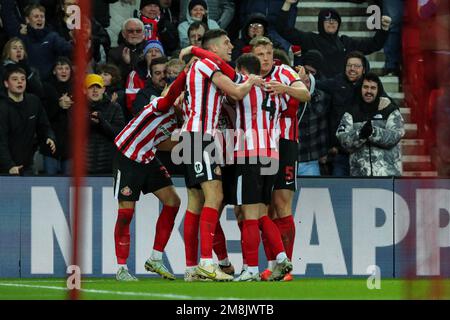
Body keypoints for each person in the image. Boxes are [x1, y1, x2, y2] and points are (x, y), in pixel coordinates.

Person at [177, 29, 262, 281]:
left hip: (192, 136)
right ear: (213, 48)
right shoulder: (206, 64)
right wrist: (251, 81)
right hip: (200, 137)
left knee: (196, 202)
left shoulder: (199, 66)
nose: (231, 46)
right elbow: (236, 92)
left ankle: (192, 268)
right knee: (215, 196)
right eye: (226, 43)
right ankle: (205, 262)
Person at [112, 65, 188, 281]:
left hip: (147, 157)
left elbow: (161, 143)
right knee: (126, 214)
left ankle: (155, 258)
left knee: (173, 202)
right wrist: (188, 70)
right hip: (127, 156)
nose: (178, 97)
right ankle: (121, 268)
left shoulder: (179, 118)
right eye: (176, 93)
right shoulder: (160, 105)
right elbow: (172, 94)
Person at [249, 36, 310, 281]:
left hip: (285, 143)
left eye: (268, 53)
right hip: (258, 145)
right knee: (265, 209)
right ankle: (274, 263)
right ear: (252, 55)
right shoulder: (247, 76)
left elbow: (305, 94)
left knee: (282, 203)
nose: (265, 58)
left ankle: (288, 268)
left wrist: (285, 88)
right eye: (260, 54)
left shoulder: (283, 71)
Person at [275, 0, 392, 79]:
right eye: (327, 20)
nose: (331, 23)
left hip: (340, 92)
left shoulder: (345, 42)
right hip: (317, 90)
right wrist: (287, 4)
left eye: (334, 21)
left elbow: (373, 45)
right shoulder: (310, 39)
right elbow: (283, 29)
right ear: (321, 23)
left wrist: (384, 29)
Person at [336, 73, 405, 176]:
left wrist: (373, 132)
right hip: (360, 178)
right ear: (360, 89)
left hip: (388, 177)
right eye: (365, 87)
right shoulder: (351, 112)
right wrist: (360, 134)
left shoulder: (390, 109)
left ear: (378, 90)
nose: (369, 91)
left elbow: (396, 135)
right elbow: (342, 139)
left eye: (373, 88)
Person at [317, 51, 370, 176]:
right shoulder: (336, 83)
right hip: (340, 154)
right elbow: (316, 85)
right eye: (349, 65)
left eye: (356, 66)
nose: (352, 69)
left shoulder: (370, 87)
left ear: (363, 69)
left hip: (364, 154)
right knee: (339, 191)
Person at [0, 65, 56, 175]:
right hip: (4, 167)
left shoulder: (34, 101)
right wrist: (9, 166)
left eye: (22, 79)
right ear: (6, 83)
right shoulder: (2, 108)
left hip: (28, 165)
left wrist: (49, 136)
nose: (20, 82)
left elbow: (44, 125)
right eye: (15, 79)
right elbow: (1, 141)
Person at [0, 2, 73, 81]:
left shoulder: (52, 37)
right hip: (27, 84)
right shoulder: (21, 38)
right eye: (36, 16)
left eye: (42, 16)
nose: (40, 19)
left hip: (49, 85)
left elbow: (69, 49)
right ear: (27, 19)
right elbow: (9, 19)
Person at [296, 50, 331, 176]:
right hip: (289, 160)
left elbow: (325, 126)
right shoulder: (287, 98)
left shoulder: (321, 98)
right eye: (301, 81)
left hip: (311, 160)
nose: (304, 85)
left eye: (307, 81)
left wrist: (324, 152)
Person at [85, 74, 126, 175]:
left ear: (103, 89)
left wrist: (102, 122)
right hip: (83, 168)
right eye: (91, 87)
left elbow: (118, 135)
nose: (95, 90)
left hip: (109, 167)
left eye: (98, 87)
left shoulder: (115, 108)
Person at [40, 57, 73, 175]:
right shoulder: (46, 88)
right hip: (51, 143)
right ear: (54, 71)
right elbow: (42, 116)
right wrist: (58, 105)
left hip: (70, 146)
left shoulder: (77, 89)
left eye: (66, 68)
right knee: (49, 181)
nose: (63, 71)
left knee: (69, 185)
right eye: (60, 68)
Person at [125, 40, 165, 114]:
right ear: (144, 56)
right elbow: (132, 105)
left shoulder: (172, 72)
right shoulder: (135, 74)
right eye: (149, 51)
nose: (153, 54)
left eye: (157, 51)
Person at [107, 18, 146, 85]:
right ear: (124, 34)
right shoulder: (114, 53)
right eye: (130, 31)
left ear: (143, 33)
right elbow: (113, 80)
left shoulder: (151, 50)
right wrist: (126, 64)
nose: (135, 33)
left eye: (138, 31)